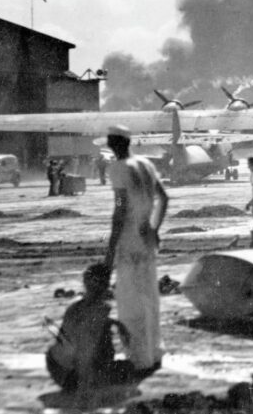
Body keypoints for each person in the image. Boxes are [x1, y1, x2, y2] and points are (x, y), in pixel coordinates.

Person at [103, 124, 167, 374]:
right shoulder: (146, 165)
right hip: (146, 239)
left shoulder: (118, 169)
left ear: (114, 143)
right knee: (149, 296)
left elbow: (119, 209)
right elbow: (163, 198)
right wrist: (154, 228)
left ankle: (139, 358)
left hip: (129, 239)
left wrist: (110, 249)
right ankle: (153, 353)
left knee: (130, 301)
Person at [45, 263, 146, 403]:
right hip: (80, 376)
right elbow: (85, 348)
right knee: (128, 369)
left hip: (61, 371)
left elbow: (64, 341)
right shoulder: (98, 310)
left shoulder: (74, 307)